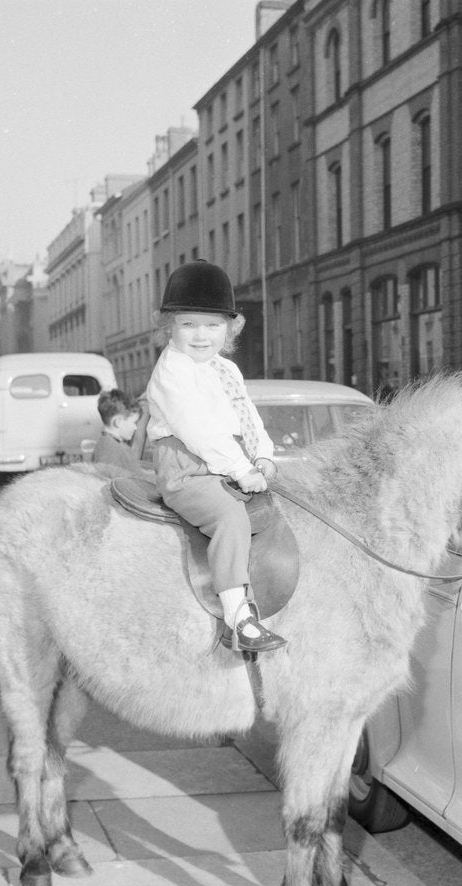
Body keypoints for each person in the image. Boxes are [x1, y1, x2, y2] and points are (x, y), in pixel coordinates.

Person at [145, 259, 286, 655]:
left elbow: (248, 417)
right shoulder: (173, 371)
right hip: (187, 470)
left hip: (226, 463)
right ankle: (238, 619)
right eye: (188, 324)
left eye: (212, 325)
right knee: (229, 517)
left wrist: (263, 457)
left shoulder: (226, 370)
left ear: (230, 328)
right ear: (168, 327)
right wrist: (241, 469)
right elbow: (199, 431)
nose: (201, 335)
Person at [93, 389, 149, 475]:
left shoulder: (111, 444)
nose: (135, 428)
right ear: (118, 422)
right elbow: (111, 479)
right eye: (134, 423)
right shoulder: (110, 450)